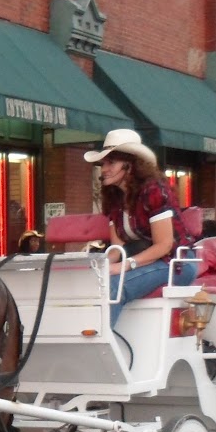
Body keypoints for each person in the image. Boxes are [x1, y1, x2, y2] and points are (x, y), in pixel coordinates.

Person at [87, 128, 199, 324]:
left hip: (177, 262)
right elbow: (117, 248)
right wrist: (95, 265)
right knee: (89, 284)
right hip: (146, 260)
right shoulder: (114, 196)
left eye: (111, 162)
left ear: (130, 165)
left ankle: (101, 350)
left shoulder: (154, 189)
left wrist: (123, 266)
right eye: (103, 163)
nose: (104, 169)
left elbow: (164, 245)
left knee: (113, 288)